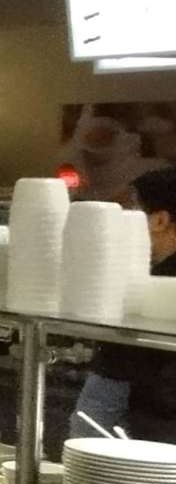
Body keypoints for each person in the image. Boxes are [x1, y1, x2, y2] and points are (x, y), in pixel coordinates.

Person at [73, 165, 176, 441]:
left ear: (160, 220)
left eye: (133, 211)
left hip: (148, 424)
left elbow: (104, 396)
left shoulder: (153, 283)